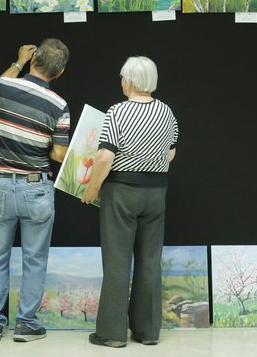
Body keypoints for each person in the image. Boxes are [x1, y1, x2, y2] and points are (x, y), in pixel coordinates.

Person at [81, 56, 179, 348]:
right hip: (156, 193)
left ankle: (112, 334)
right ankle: (148, 332)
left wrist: (92, 188)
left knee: (116, 261)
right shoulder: (167, 112)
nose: (121, 82)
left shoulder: (117, 112)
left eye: (123, 77)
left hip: (122, 191)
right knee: (150, 261)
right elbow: (171, 155)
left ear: (131, 82)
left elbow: (105, 157)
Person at [0, 39, 70, 342]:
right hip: (36, 190)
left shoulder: (6, 87)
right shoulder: (60, 106)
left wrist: (18, 61)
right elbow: (59, 155)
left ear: (34, 59)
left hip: (0, 185)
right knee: (34, 258)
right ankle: (25, 324)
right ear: (59, 74)